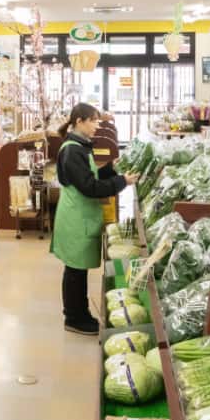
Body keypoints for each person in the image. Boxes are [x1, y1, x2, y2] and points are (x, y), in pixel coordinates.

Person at [51, 102, 138, 335]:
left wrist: (111, 168)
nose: (97, 126)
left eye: (99, 121)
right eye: (93, 121)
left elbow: (90, 177)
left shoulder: (79, 146)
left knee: (78, 270)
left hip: (82, 215)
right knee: (74, 271)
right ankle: (74, 317)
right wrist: (122, 182)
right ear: (79, 121)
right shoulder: (71, 150)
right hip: (75, 218)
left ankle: (80, 313)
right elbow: (89, 187)